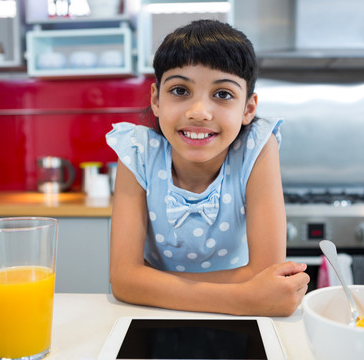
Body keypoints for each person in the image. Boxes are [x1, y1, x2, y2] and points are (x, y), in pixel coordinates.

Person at [105, 19, 309, 316]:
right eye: (179, 90)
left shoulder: (257, 147)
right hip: (154, 317)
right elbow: (123, 281)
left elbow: (266, 272)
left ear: (248, 109)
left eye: (223, 94)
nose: (199, 112)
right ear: (156, 99)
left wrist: (149, 283)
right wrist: (245, 298)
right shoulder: (138, 152)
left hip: (221, 321)